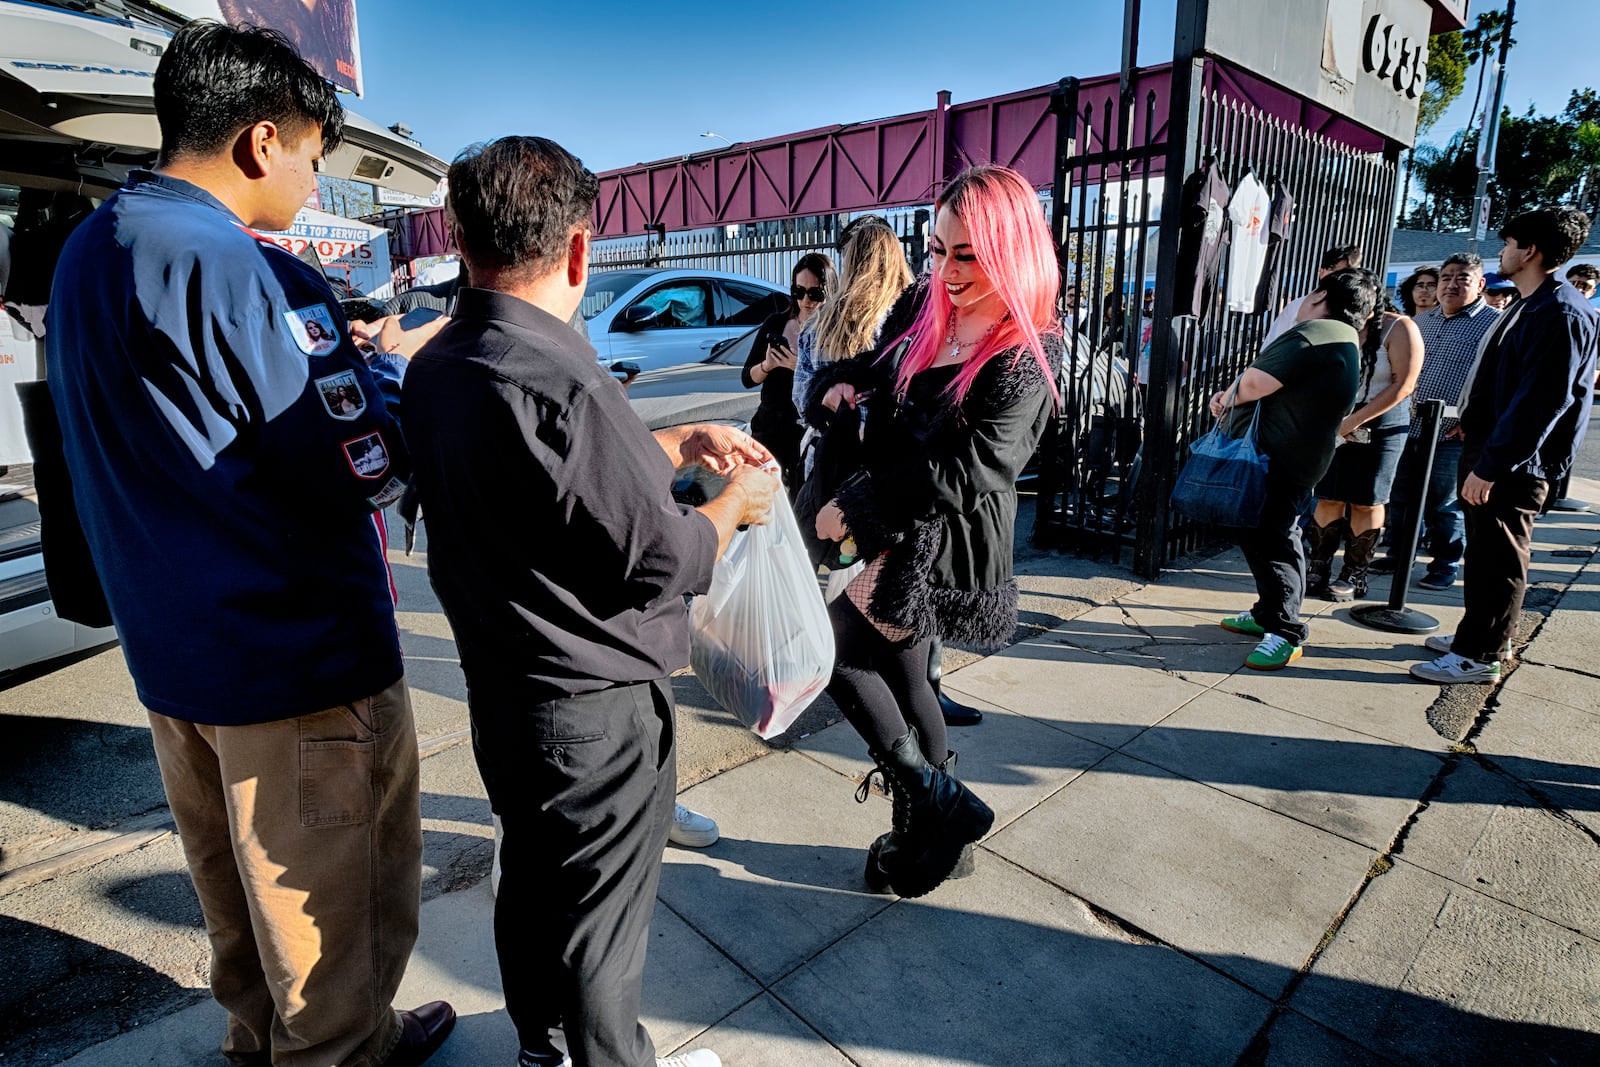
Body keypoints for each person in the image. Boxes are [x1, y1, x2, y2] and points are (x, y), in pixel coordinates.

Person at [44, 22, 454, 1067]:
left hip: (173, 655)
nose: (316, 178)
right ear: (261, 141)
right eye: (315, 153)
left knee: (237, 896)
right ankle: (342, 1050)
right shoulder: (254, 272)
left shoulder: (91, 246)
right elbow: (363, 462)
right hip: (297, 663)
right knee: (332, 907)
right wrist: (396, 368)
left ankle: (257, 1042)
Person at [402, 136, 779, 1067]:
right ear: (577, 249)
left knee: (531, 886)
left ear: (462, 238)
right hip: (593, 708)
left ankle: (547, 1048)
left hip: (505, 686)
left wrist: (662, 441)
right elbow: (667, 557)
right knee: (601, 926)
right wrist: (731, 507)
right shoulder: (564, 372)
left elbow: (550, 485)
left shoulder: (439, 362)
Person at [807, 165, 1063, 897]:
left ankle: (932, 803)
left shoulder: (1025, 352)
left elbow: (974, 468)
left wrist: (858, 506)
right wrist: (844, 382)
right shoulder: (925, 301)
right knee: (908, 675)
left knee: (837, 651)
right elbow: (879, 364)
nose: (945, 271)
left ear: (1010, 252)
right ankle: (936, 827)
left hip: (943, 540)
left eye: (967, 256)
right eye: (938, 248)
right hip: (896, 524)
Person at [1411, 207, 1599, 685]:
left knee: (1499, 558)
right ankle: (1483, 635)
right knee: (1487, 554)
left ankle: (1480, 655)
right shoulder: (1530, 302)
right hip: (1490, 449)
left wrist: (1492, 465)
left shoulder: (1559, 311)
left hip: (1513, 462)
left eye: (1508, 243)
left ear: (1530, 251)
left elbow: (1542, 402)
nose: (1502, 252)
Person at [1213, 269, 1375, 670]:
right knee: (1265, 536)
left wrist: (1223, 398)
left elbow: (1253, 385)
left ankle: (1284, 631)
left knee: (1275, 542)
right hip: (1294, 457)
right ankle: (1268, 613)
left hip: (1279, 461)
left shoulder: (1315, 333)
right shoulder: (1345, 339)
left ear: (1320, 296)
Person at [1371, 253, 1501, 589]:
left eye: (1462, 278)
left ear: (1480, 285)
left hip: (1452, 433)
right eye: (1446, 278)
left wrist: (1474, 420)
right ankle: (1398, 555)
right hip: (1407, 426)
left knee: (1444, 505)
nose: (1451, 285)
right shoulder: (1420, 323)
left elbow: (1501, 381)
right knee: (1399, 497)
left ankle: (1444, 565)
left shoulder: (1494, 325)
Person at [1302, 295, 1422, 601]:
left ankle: (1354, 574)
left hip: (1382, 421)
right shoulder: (1334, 327)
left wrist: (1354, 421)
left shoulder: (1399, 327)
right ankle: (1318, 566)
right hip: (1335, 416)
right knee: (1328, 496)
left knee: (1367, 500)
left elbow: (1404, 384)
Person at [791, 215, 912, 462]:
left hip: (825, 455)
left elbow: (801, 399)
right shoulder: (908, 319)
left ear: (850, 262)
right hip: (884, 459)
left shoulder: (817, 322)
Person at [742, 252, 836, 490]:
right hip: (769, 427)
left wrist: (800, 369)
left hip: (804, 431)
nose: (806, 300)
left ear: (829, 290)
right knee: (758, 500)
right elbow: (747, 378)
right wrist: (767, 366)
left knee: (798, 504)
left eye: (815, 293)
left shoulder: (834, 331)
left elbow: (835, 386)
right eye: (798, 291)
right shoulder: (776, 322)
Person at [1262, 244, 1362, 346]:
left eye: (1349, 275)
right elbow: (1269, 347)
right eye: (1336, 273)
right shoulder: (1297, 307)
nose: (1342, 279)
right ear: (1322, 272)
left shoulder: (1357, 312)